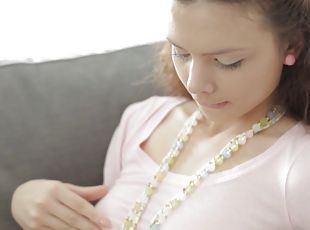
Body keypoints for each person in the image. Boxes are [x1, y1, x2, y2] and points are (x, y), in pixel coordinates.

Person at [11, 0, 310, 229]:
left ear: (292, 44)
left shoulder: (297, 167)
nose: (194, 84)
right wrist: (25, 198)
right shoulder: (144, 120)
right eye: (181, 52)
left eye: (226, 61)